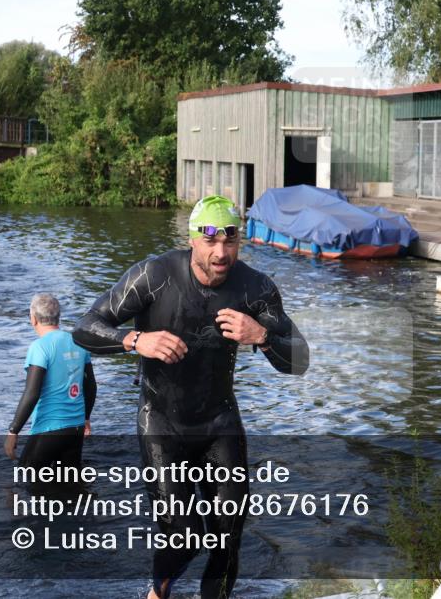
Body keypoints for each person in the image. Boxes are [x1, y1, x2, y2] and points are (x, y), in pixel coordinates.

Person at [72, 195, 309, 599]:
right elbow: (85, 327)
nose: (221, 253)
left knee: (228, 536)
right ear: (193, 239)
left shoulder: (256, 289)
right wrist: (135, 339)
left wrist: (263, 337)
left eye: (230, 241)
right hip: (162, 420)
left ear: (240, 240)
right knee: (183, 534)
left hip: (219, 422)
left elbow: (299, 360)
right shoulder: (154, 275)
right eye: (211, 241)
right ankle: (158, 591)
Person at [5, 294, 96, 494]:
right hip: (76, 430)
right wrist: (86, 418)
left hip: (48, 429)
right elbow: (91, 387)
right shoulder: (78, 341)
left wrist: (13, 431)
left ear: (33, 318)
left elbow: (32, 393)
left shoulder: (39, 347)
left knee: (21, 483)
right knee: (71, 488)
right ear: (58, 317)